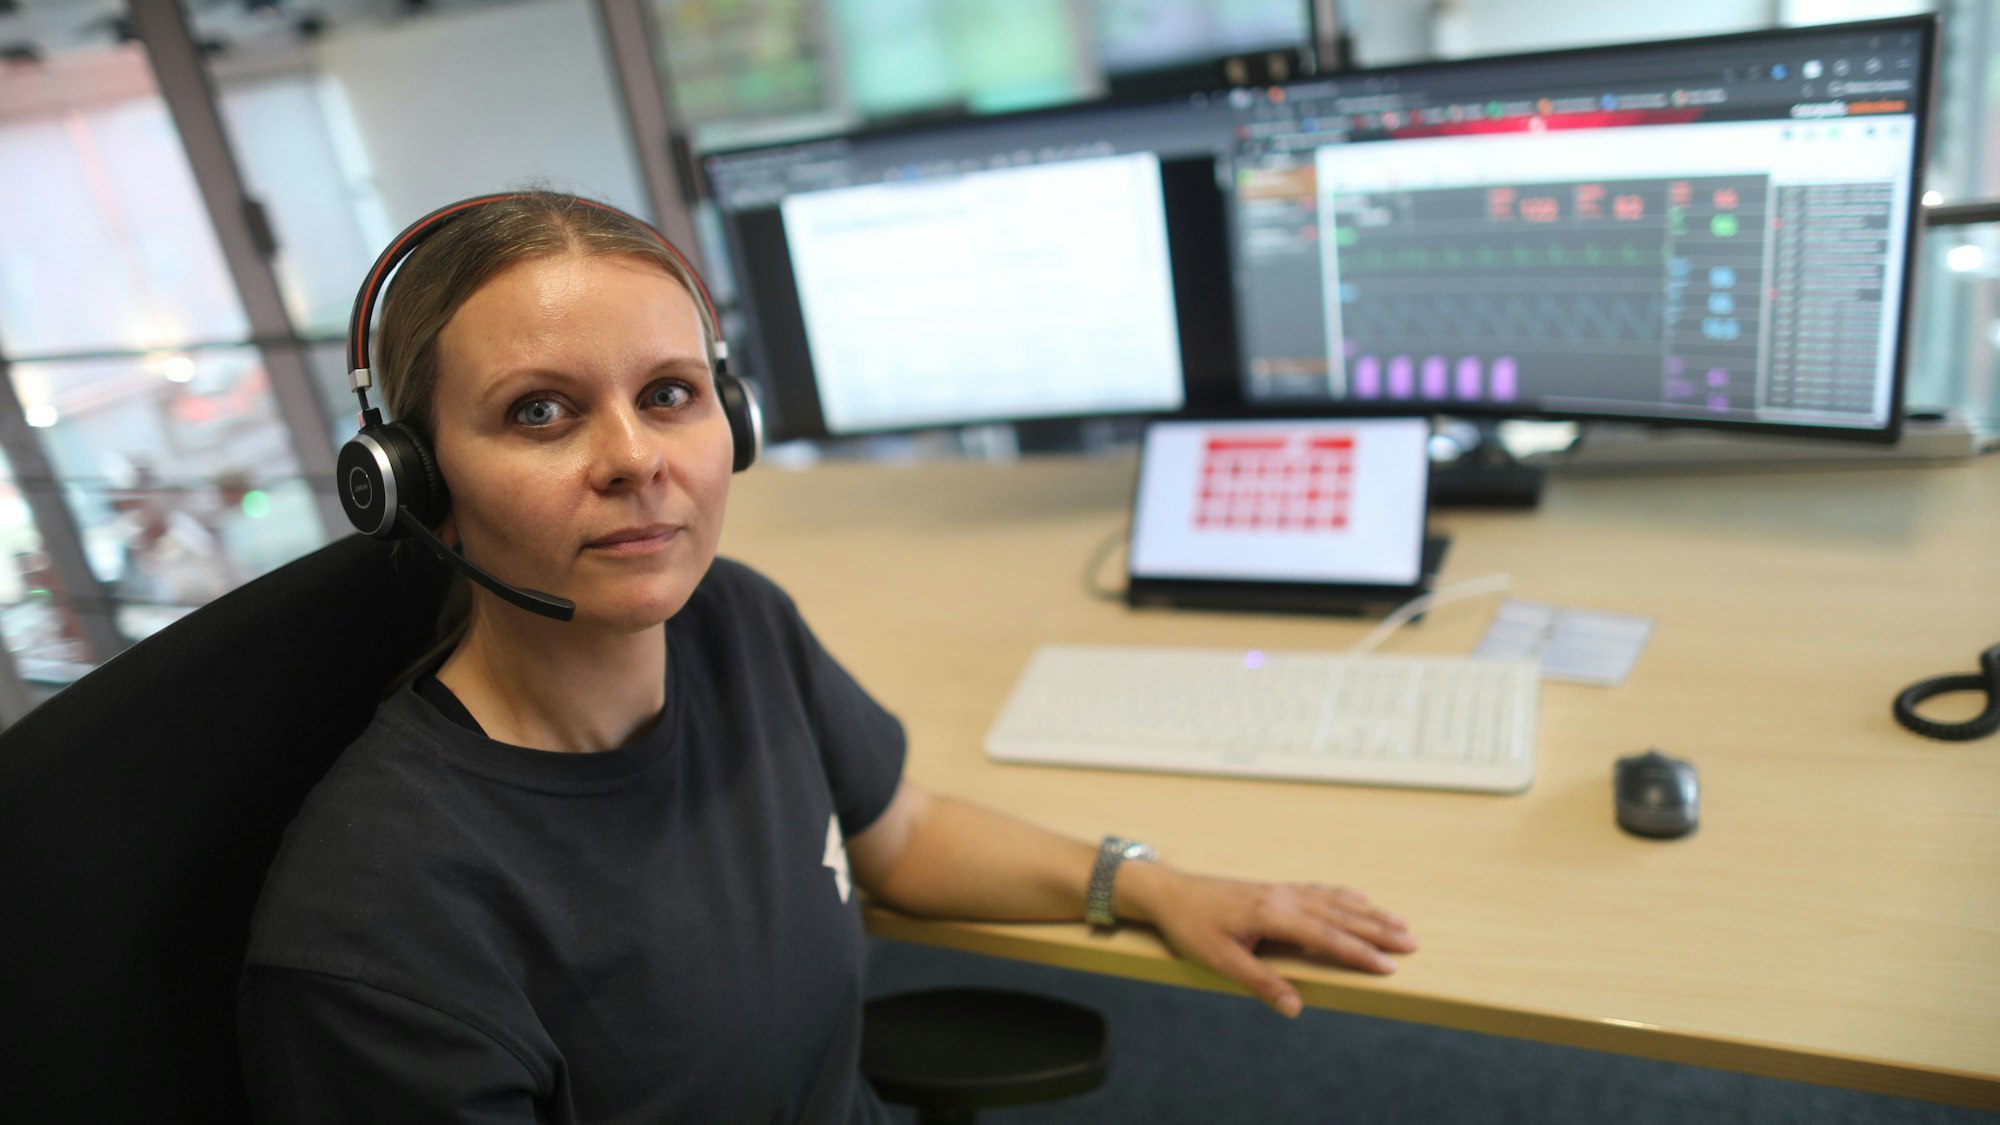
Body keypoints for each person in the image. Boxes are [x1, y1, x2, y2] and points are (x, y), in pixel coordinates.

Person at [238, 191, 1418, 1124]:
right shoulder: (381, 933)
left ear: (730, 428)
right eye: (539, 412)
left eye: (669, 394)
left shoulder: (732, 625)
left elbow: (897, 834)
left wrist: (1154, 885)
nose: (634, 458)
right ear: (416, 486)